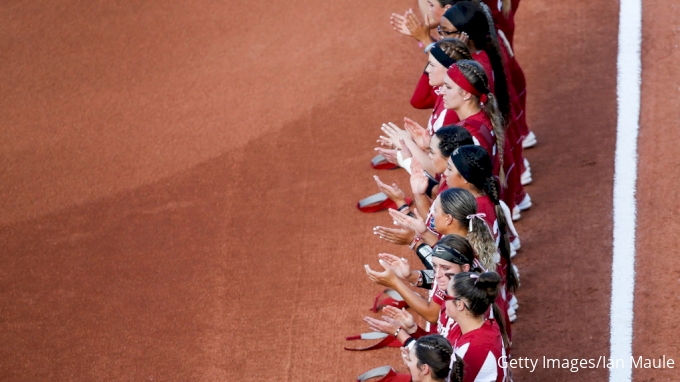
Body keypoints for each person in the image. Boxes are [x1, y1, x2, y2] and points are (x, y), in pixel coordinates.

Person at [445, 271, 509, 382]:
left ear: (460, 304)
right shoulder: (486, 325)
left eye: (446, 295)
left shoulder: (472, 351)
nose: (443, 299)